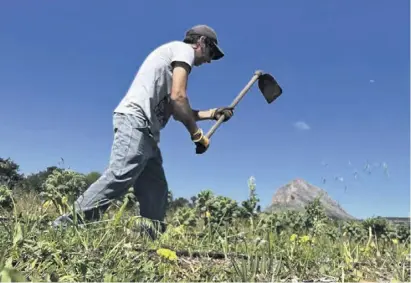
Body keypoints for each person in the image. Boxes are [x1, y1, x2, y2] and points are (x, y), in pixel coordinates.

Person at [52, 24, 234, 238]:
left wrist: (212, 113)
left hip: (148, 134)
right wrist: (197, 135)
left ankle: (150, 238)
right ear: (201, 43)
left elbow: (177, 109)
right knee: (120, 174)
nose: (210, 60)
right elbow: (179, 98)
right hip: (135, 121)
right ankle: (66, 227)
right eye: (211, 52)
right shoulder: (183, 50)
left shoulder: (172, 67)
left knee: (155, 188)